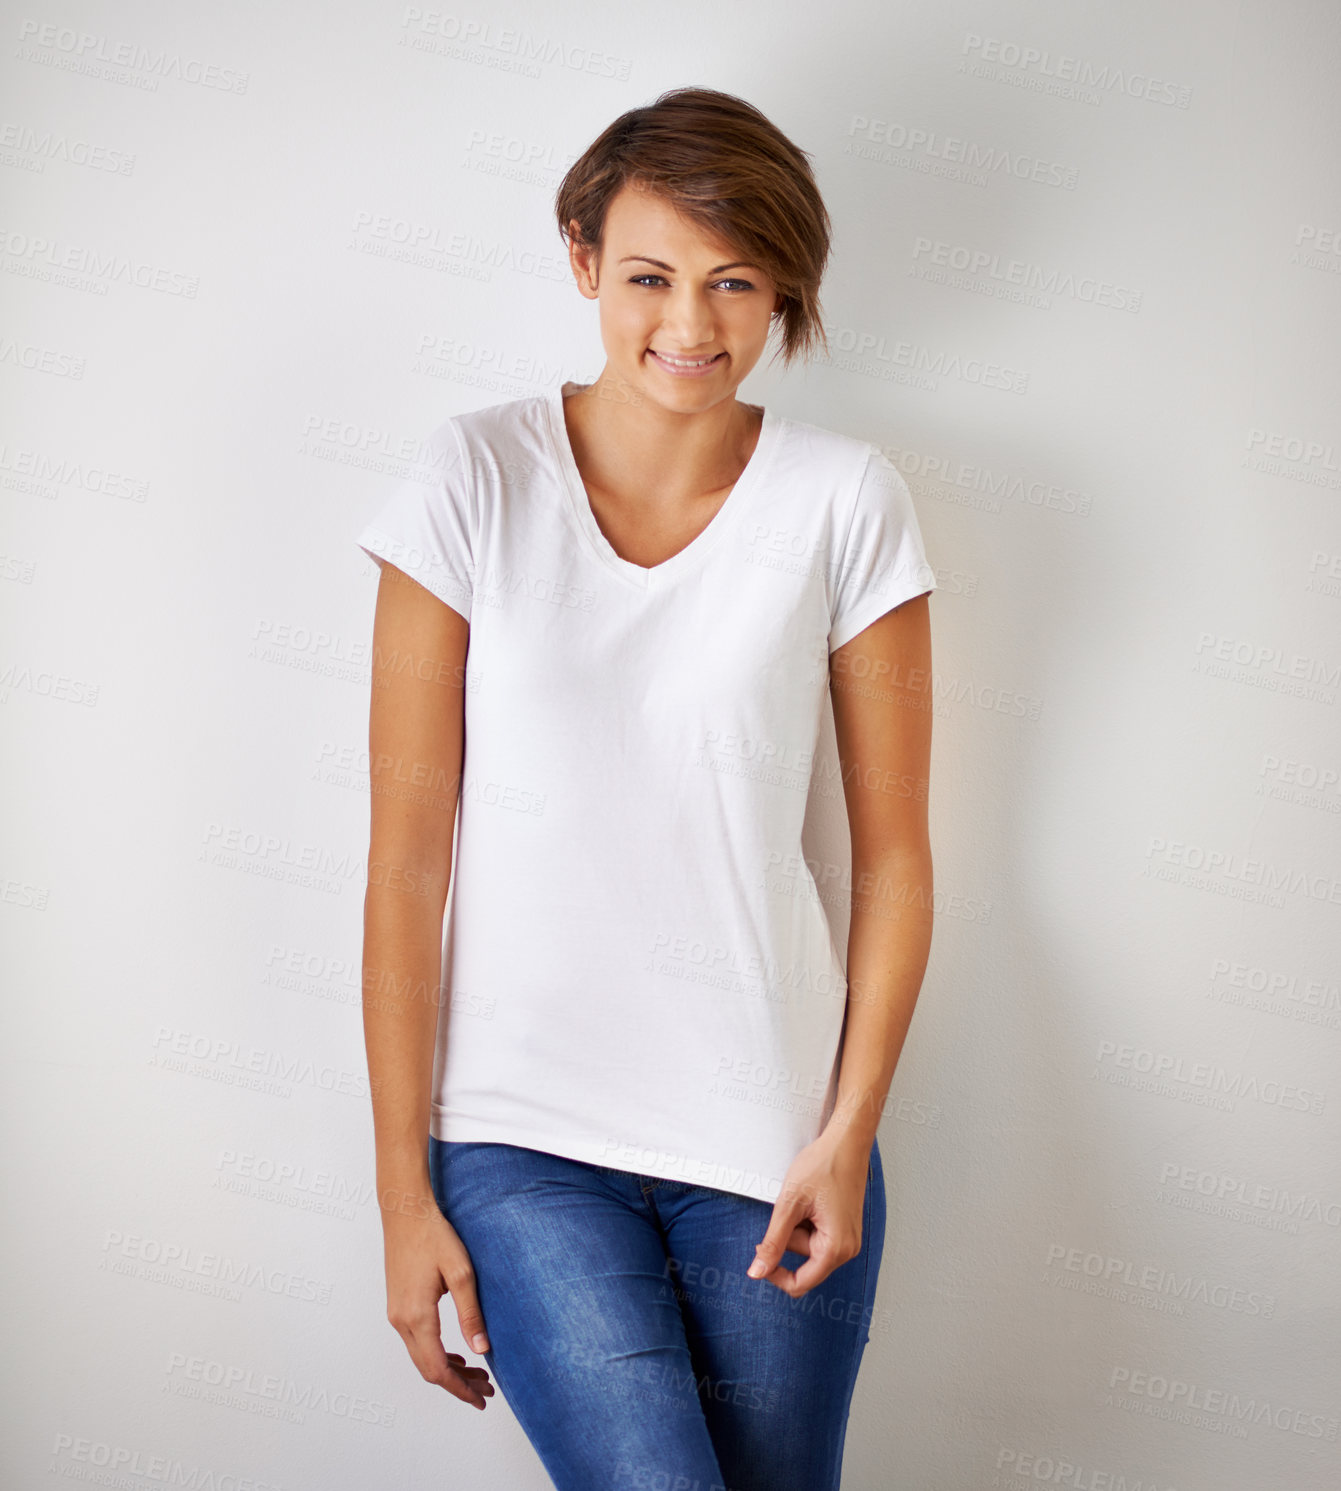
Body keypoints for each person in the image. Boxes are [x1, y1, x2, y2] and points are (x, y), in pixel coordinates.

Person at [355, 86, 937, 1491]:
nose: (692, 323)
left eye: (735, 281)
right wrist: (399, 1195)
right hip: (517, 1137)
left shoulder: (843, 501)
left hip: (771, 1137)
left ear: (783, 286)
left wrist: (846, 1134)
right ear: (579, 262)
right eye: (649, 277)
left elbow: (897, 860)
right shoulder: (474, 477)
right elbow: (405, 862)